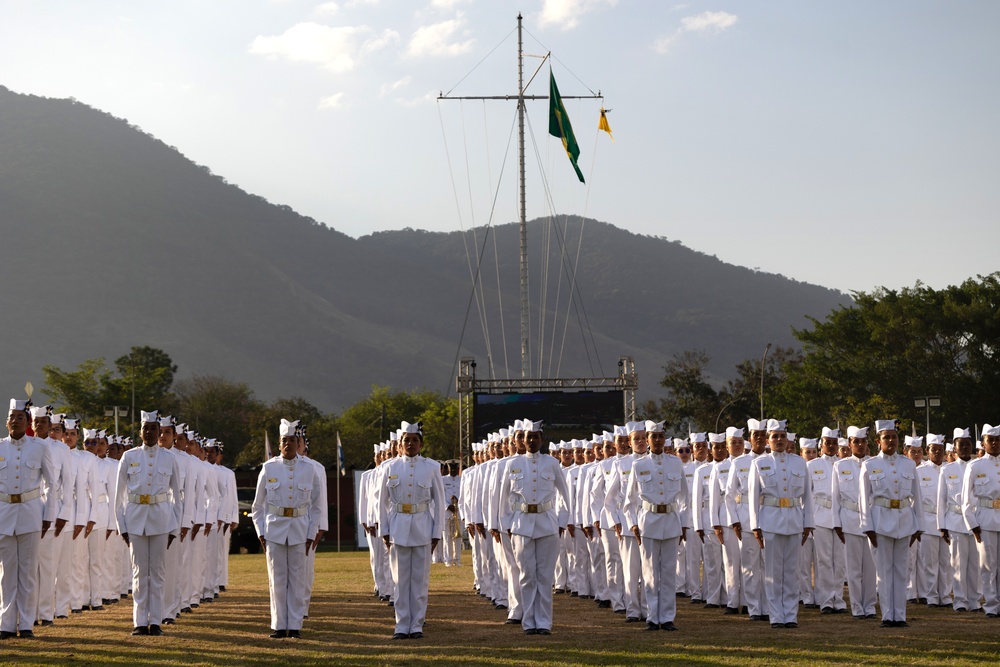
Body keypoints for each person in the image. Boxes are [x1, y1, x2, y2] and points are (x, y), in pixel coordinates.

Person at [251, 419, 323, 638]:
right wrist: (261, 532)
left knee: (298, 578)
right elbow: (257, 506)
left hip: (300, 530)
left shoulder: (309, 469)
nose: (289, 444)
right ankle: (279, 625)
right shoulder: (268, 467)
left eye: (293, 440)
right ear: (279, 444)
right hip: (274, 530)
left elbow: (317, 506)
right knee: (277, 578)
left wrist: (311, 534)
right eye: (285, 440)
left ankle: (295, 626)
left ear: (299, 442)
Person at [498, 419, 570, 635]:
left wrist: (561, 522)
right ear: (523, 440)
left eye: (535, 437)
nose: (531, 440)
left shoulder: (552, 463)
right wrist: (507, 524)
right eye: (527, 437)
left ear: (542, 439)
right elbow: (503, 499)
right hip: (521, 524)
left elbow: (566, 496)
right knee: (527, 575)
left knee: (545, 576)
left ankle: (544, 622)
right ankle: (529, 621)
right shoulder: (513, 464)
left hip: (547, 524)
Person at [114, 410, 181, 636]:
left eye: (154, 428)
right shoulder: (129, 456)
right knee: (139, 572)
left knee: (158, 572)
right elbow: (118, 497)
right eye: (146, 428)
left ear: (159, 431)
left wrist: (174, 527)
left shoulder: (169, 458)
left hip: (161, 521)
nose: (150, 432)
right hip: (135, 521)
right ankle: (140, 622)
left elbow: (177, 497)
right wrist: (122, 527)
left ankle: (157, 622)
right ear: (140, 431)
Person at [378, 421, 445, 640]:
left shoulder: (432, 467)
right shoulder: (390, 467)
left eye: (415, 440)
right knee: (399, 580)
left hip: (423, 527)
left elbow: (439, 501)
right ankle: (401, 623)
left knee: (419, 580)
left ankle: (416, 624)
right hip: (398, 527)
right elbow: (382, 503)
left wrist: (437, 533)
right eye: (406, 440)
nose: (410, 444)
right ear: (399, 444)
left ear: (421, 444)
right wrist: (385, 531)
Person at [623, 419, 689, 631]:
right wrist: (633, 524)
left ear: (664, 439)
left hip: (670, 522)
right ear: (648, 440)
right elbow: (629, 501)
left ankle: (667, 617)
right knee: (650, 573)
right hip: (648, 523)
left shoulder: (675, 463)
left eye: (661, 436)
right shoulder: (638, 465)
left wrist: (683, 525)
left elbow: (685, 498)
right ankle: (652, 617)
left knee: (669, 572)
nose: (658, 440)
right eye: (654, 437)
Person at [0, 399, 58, 639]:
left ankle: (25, 624)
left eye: (20, 417)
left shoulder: (40, 447)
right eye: (12, 417)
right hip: (3, 513)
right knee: (6, 572)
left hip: (31, 512)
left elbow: (52, 484)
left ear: (28, 423)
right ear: (6, 422)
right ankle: (5, 624)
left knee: (27, 571)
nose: (15, 421)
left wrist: (49, 514)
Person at [748, 419, 814, 629]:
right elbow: (753, 497)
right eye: (774, 436)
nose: (779, 440)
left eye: (782, 436)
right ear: (768, 440)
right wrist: (756, 526)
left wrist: (808, 523)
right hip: (770, 520)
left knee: (792, 571)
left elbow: (808, 497)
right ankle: (776, 615)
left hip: (794, 520)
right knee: (773, 572)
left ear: (787, 439)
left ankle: (791, 615)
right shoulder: (759, 463)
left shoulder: (799, 462)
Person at [860, 420, 922, 628]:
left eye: (894, 437)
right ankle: (888, 614)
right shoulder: (869, 465)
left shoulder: (908, 464)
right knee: (884, 572)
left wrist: (918, 525)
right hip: (880, 522)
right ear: (878, 441)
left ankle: (900, 615)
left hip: (904, 521)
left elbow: (917, 498)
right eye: (886, 437)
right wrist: (868, 527)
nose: (891, 440)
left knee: (901, 571)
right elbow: (863, 499)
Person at [833, 425, 877, 620]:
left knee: (870, 568)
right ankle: (857, 607)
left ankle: (870, 606)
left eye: (863, 441)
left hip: (872, 521)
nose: (860, 445)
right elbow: (835, 498)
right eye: (856, 442)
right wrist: (837, 523)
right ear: (849, 444)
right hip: (850, 520)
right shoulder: (840, 466)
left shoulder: (875, 464)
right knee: (853, 569)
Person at [938, 428, 981, 612]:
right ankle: (960, 601)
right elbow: (941, 500)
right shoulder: (947, 469)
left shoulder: (979, 466)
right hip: (955, 521)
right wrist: (941, 526)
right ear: (954, 448)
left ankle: (975, 601)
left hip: (977, 521)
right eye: (960, 445)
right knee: (957, 564)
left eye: (967, 444)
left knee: (976, 565)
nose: (964, 448)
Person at [961, 423, 1000, 617]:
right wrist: (972, 524)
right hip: (985, 519)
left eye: (997, 440)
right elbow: (966, 499)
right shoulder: (975, 466)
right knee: (987, 566)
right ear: (983, 443)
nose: (994, 443)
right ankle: (992, 605)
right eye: (990, 440)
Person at [808, 428, 847, 614]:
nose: (831, 446)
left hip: (841, 516)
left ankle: (838, 599)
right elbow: (807, 495)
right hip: (820, 515)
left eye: (834, 442)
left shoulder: (844, 464)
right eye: (827, 442)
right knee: (823, 561)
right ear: (820, 445)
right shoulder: (812, 466)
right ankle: (826, 601)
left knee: (839, 561)